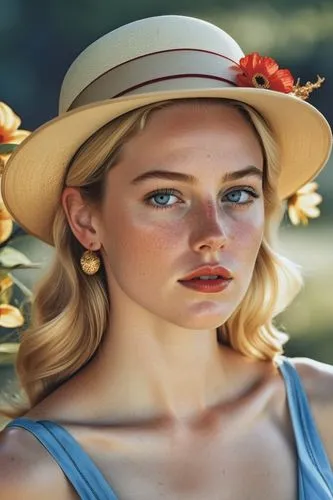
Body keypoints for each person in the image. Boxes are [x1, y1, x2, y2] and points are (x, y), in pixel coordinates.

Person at [0, 14, 332, 500]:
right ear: (86, 220)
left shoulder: (324, 409)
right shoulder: (26, 478)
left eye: (238, 193)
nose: (213, 235)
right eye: (165, 197)